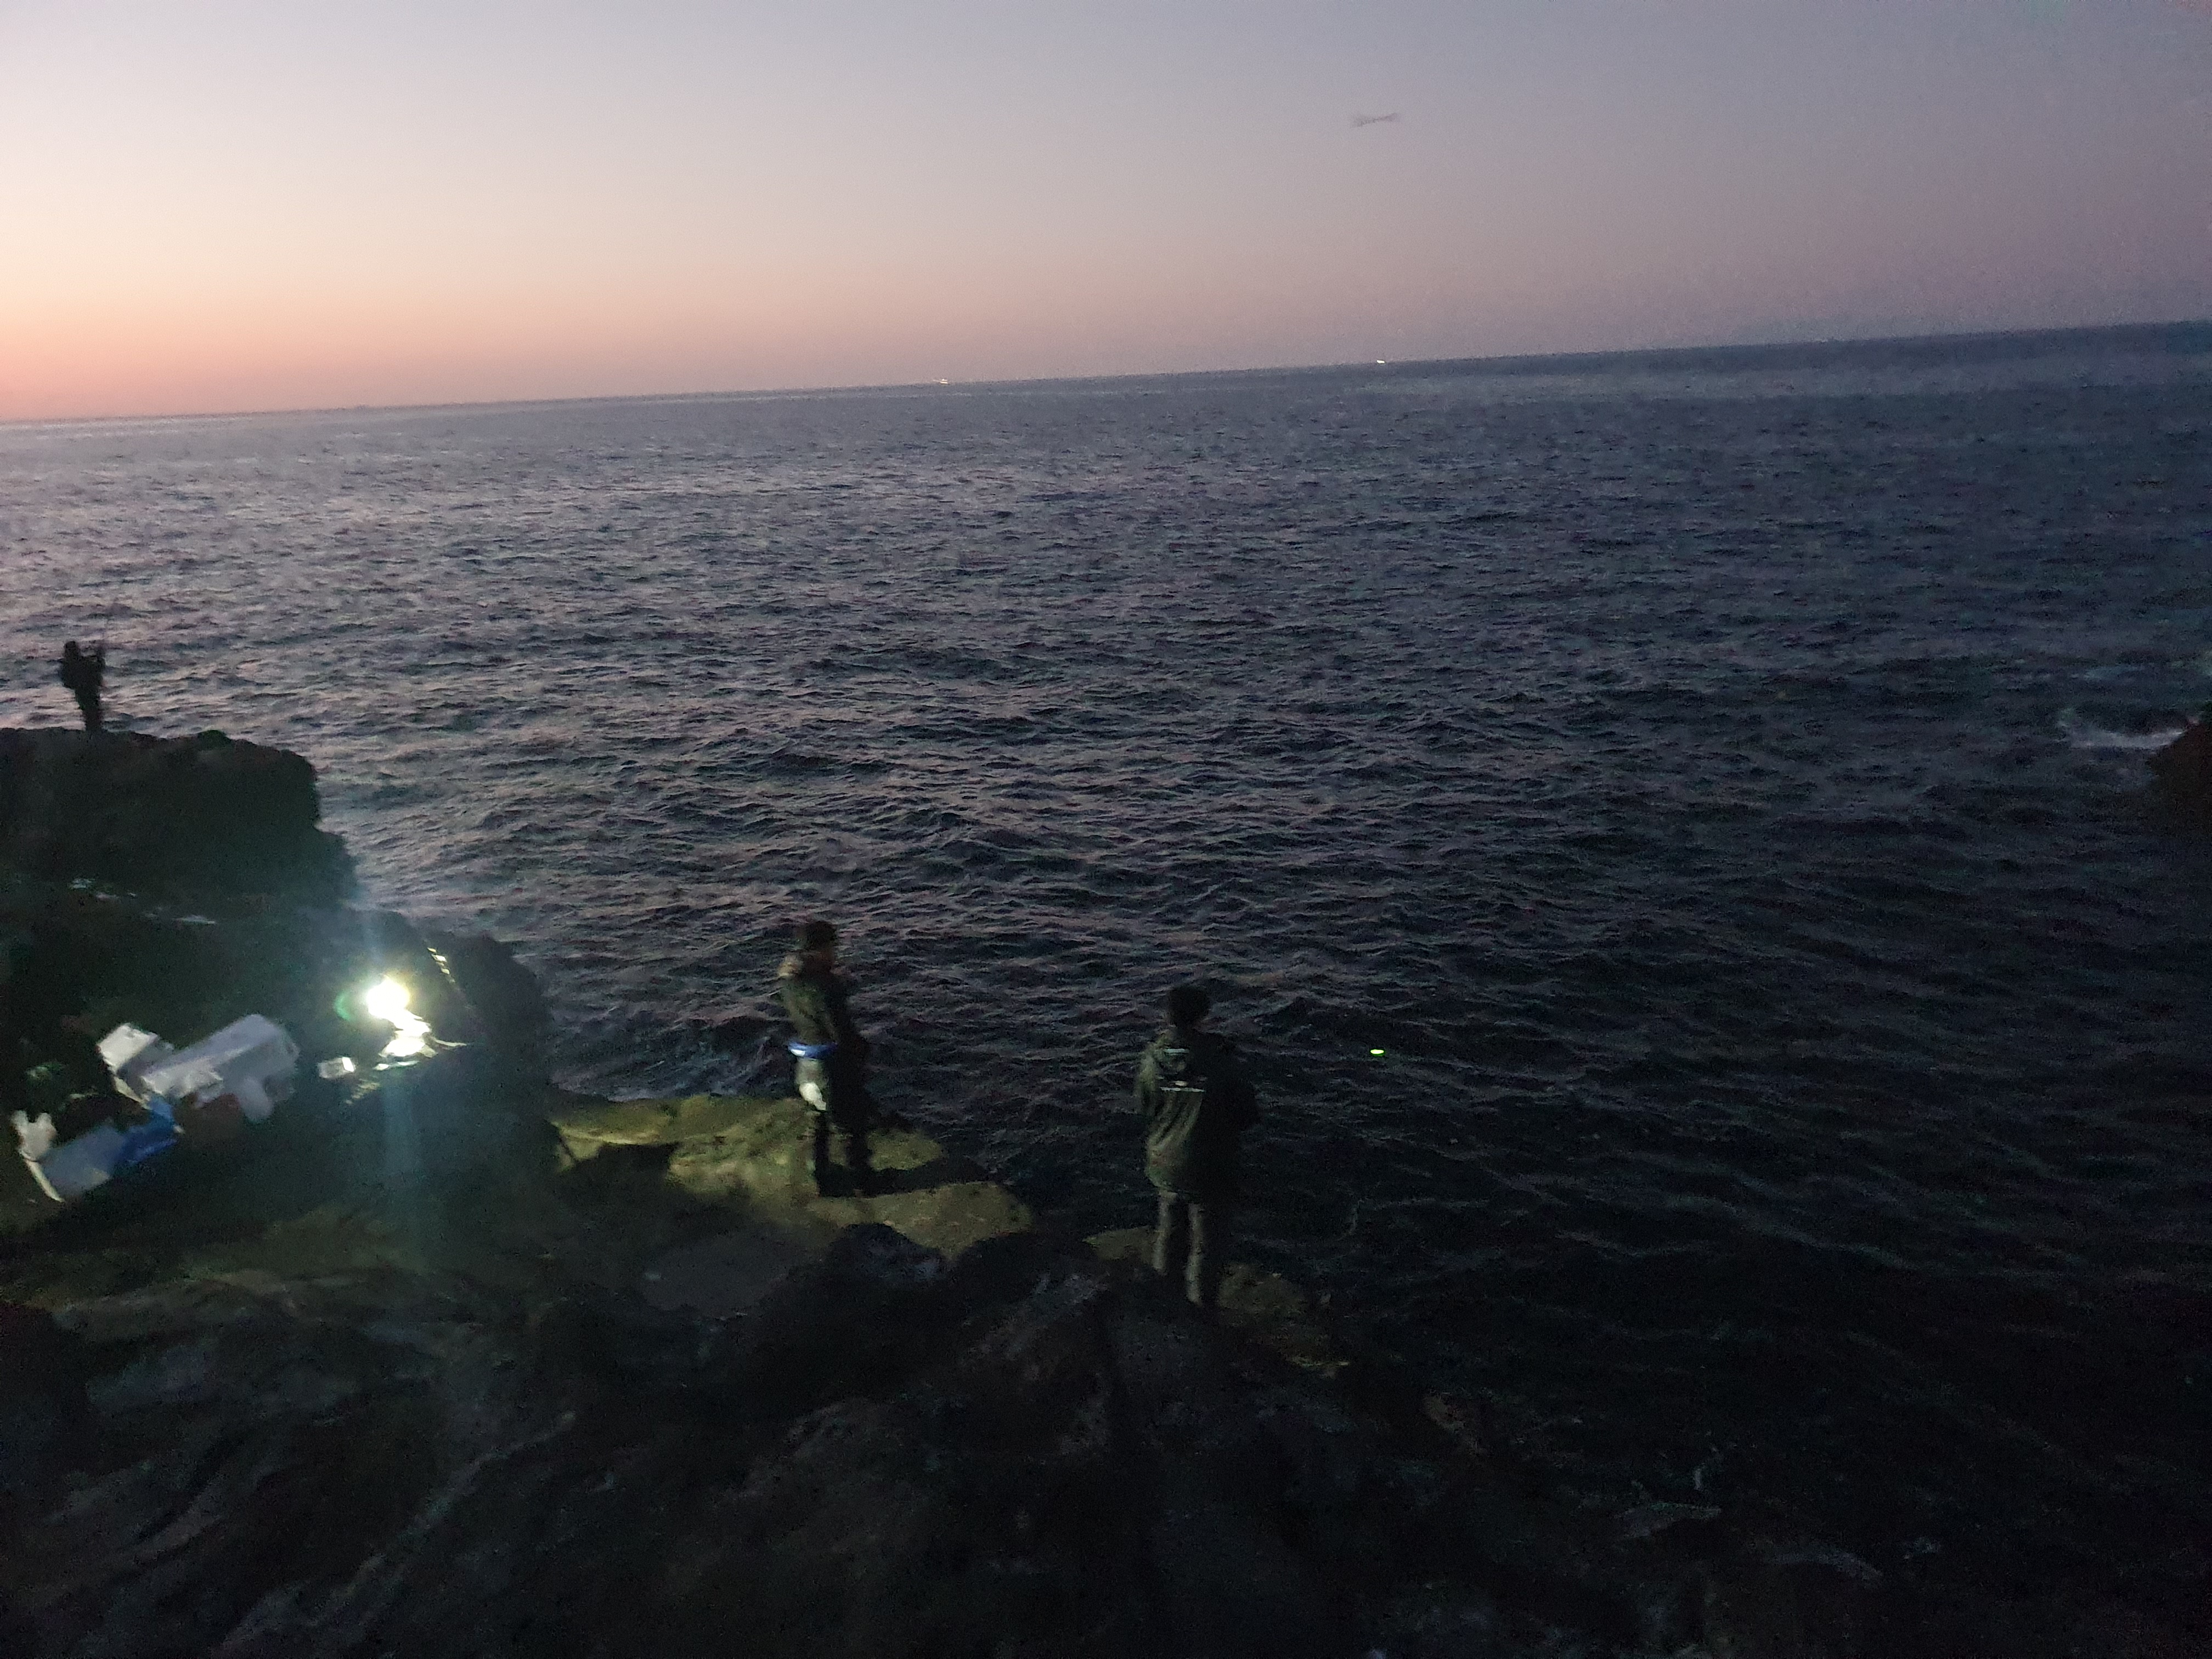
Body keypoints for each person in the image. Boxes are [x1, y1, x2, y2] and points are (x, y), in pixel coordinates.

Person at [1135, 983, 1257, 1312]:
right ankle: (1201, 1317)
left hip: (1165, 1161)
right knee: (1207, 1245)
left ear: (1168, 1016)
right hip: (1209, 1168)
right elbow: (1246, 1114)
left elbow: (1146, 1108)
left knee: (1169, 1230)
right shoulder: (1223, 1062)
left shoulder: (1152, 1059)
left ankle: (1163, 1305)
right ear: (1205, 1016)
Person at [777, 919, 880, 1196]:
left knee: (817, 1123)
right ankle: (864, 1184)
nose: (836, 953)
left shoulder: (789, 981)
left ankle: (819, 1178)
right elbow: (842, 1033)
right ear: (822, 948)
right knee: (850, 1127)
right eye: (833, 947)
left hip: (805, 1065)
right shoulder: (825, 986)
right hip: (831, 1069)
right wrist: (862, 1053)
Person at [57, 642, 104, 733]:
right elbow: (99, 668)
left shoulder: (70, 665)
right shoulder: (82, 663)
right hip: (89, 692)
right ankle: (95, 734)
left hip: (83, 693)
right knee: (94, 714)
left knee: (90, 714)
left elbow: (67, 683)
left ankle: (93, 733)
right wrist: (99, 657)